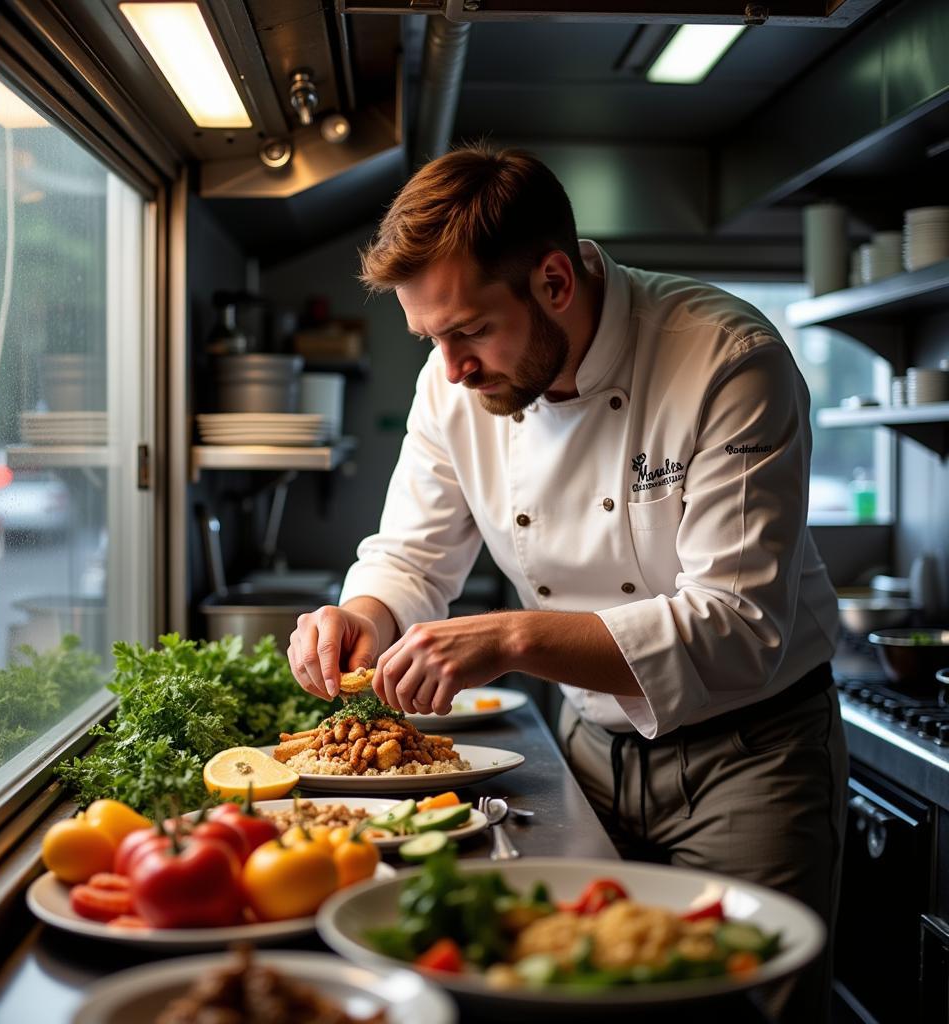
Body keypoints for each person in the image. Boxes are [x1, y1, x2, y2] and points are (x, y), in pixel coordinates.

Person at [286, 144, 847, 1020]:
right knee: (568, 997)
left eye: (469, 331)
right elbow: (410, 555)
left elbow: (740, 625)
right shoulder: (453, 382)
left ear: (553, 280)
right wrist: (363, 612)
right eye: (431, 339)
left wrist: (512, 638)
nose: (453, 369)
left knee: (743, 1011)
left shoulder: (726, 359)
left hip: (752, 763)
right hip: (589, 751)